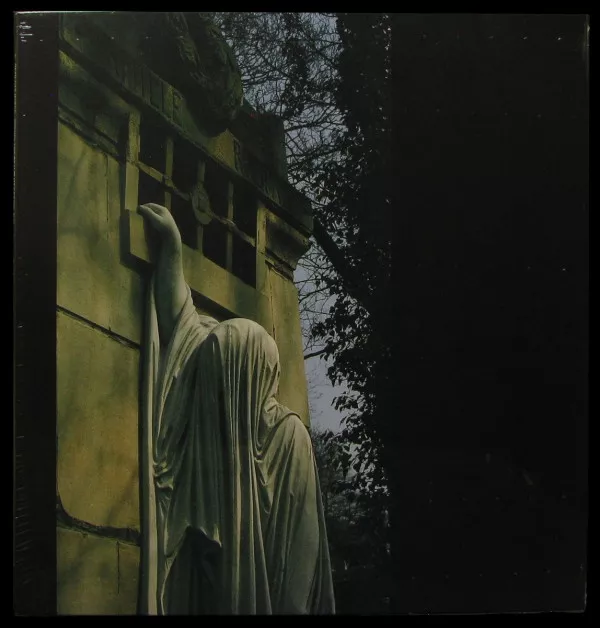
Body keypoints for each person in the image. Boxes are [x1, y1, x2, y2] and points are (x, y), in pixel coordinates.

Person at [137, 203, 335, 615]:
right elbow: (184, 329)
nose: (208, 395)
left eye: (217, 383)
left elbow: (301, 569)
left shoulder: (289, 439)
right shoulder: (225, 429)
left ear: (240, 379)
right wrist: (172, 250)